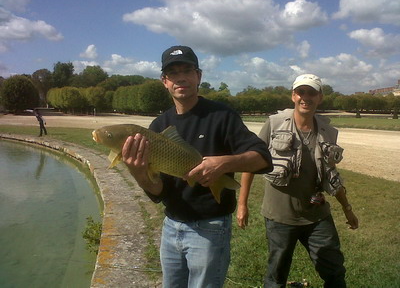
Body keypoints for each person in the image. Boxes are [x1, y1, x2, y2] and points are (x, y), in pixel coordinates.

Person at [121, 45, 272, 288]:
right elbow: (160, 192)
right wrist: (138, 172)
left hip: (210, 227)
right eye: (173, 73)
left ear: (198, 76)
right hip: (171, 225)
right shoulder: (159, 124)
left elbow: (263, 158)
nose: (181, 77)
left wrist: (223, 163)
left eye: (187, 70)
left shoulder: (221, 115)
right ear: (165, 81)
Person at [239, 74, 359, 288]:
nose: (306, 97)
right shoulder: (274, 124)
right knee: (276, 275)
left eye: (311, 92)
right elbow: (251, 162)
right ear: (293, 95)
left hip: (317, 215)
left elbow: (332, 175)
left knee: (334, 270)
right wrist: (242, 204)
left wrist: (347, 208)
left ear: (319, 97)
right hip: (280, 217)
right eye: (301, 92)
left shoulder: (328, 132)